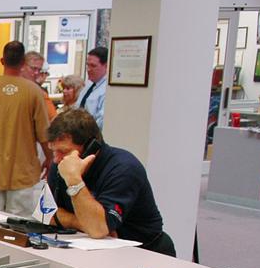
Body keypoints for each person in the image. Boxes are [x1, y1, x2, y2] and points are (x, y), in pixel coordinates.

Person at [47, 109, 174, 255]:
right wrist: (82, 223)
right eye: (53, 151)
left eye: (63, 151)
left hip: (144, 252)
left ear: (91, 147)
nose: (56, 159)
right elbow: (46, 214)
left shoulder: (124, 168)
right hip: (90, 249)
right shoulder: (61, 165)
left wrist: (74, 181)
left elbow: (96, 229)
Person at [0, 41, 51, 218]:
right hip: (23, 173)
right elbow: (44, 134)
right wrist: (50, 160)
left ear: (1, 60)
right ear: (23, 63)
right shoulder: (34, 92)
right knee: (19, 227)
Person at [77, 46, 108, 129]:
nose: (89, 69)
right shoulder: (89, 85)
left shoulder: (107, 90)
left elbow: (102, 120)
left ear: (106, 66)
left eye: (93, 66)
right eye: (87, 65)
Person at [22, 52, 58, 123]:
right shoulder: (38, 93)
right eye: (33, 68)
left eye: (39, 70)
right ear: (22, 66)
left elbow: (54, 120)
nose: (36, 73)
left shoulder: (40, 94)